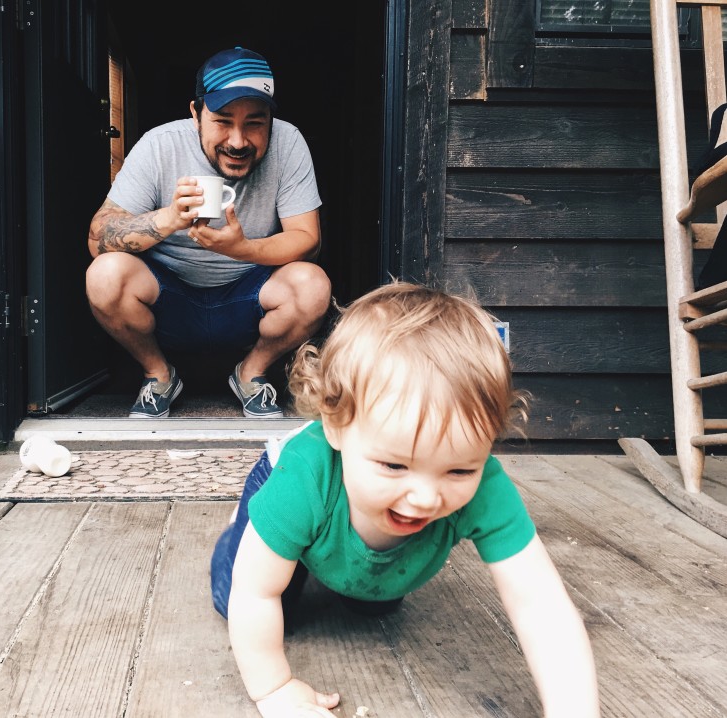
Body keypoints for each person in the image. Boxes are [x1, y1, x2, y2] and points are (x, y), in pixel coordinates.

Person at [210, 281, 600, 718]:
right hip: (289, 488)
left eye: (459, 469)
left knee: (377, 599)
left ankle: (344, 556)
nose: (425, 498)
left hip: (364, 534)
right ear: (335, 426)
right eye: (394, 466)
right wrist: (275, 689)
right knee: (250, 594)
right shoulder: (303, 477)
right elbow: (255, 594)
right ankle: (246, 533)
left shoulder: (484, 485)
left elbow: (540, 603)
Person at [85, 46, 331, 419]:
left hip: (249, 295)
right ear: (195, 114)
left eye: (254, 122)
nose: (238, 141)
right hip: (169, 297)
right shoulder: (159, 144)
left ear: (271, 120)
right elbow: (98, 238)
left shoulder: (289, 141)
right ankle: (158, 375)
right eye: (222, 120)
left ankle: (251, 373)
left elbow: (307, 239)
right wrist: (169, 218)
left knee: (313, 285)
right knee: (104, 276)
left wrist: (243, 249)